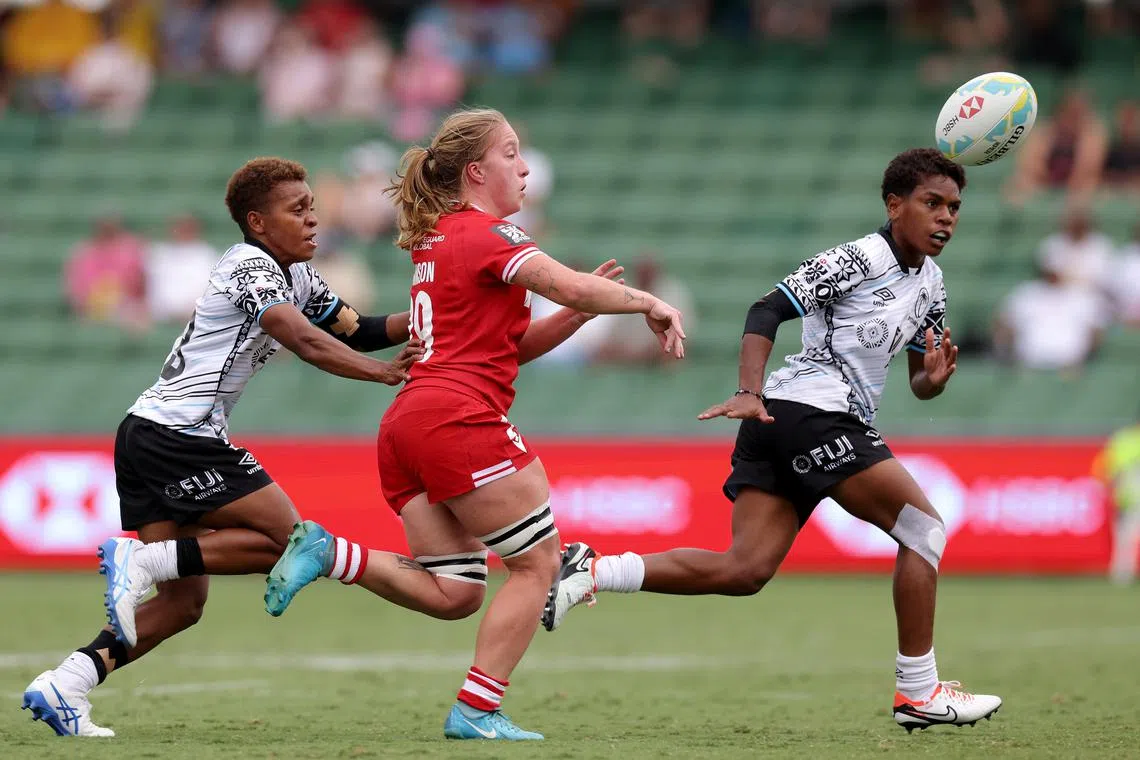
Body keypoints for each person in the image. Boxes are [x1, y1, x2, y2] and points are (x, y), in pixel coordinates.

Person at [261, 107, 687, 741]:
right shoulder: (490, 235)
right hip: (459, 418)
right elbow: (564, 283)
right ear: (476, 171)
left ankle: (330, 553)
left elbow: (505, 348)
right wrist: (645, 301)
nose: (522, 167)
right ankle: (476, 711)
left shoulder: (440, 242)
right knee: (539, 565)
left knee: (456, 591)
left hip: (409, 422)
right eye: (511, 153)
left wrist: (580, 314)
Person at [544, 148, 1003, 733]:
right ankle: (918, 691)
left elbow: (918, 378)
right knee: (924, 529)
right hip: (806, 412)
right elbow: (766, 309)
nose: (945, 218)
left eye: (955, 208)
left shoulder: (932, 285)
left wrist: (931, 381)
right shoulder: (858, 258)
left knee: (745, 571)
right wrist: (749, 390)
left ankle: (591, 571)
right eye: (932, 203)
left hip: (794, 421)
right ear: (894, 204)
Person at [20, 157, 423, 737]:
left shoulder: (299, 277)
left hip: (150, 434)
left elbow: (358, 327)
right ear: (258, 222)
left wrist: (436, 317)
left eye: (314, 207)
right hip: (179, 437)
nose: (314, 219)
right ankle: (143, 561)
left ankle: (67, 683)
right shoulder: (248, 265)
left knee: (184, 605)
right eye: (298, 209)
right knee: (296, 542)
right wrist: (381, 375)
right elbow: (301, 339)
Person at [1098, 419, 1140, 585]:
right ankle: (1122, 575)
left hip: (1127, 498)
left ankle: (1122, 575)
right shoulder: (1123, 440)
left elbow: (1109, 469)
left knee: (1124, 538)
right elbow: (1108, 468)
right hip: (1128, 499)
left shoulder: (1122, 440)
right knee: (1124, 538)